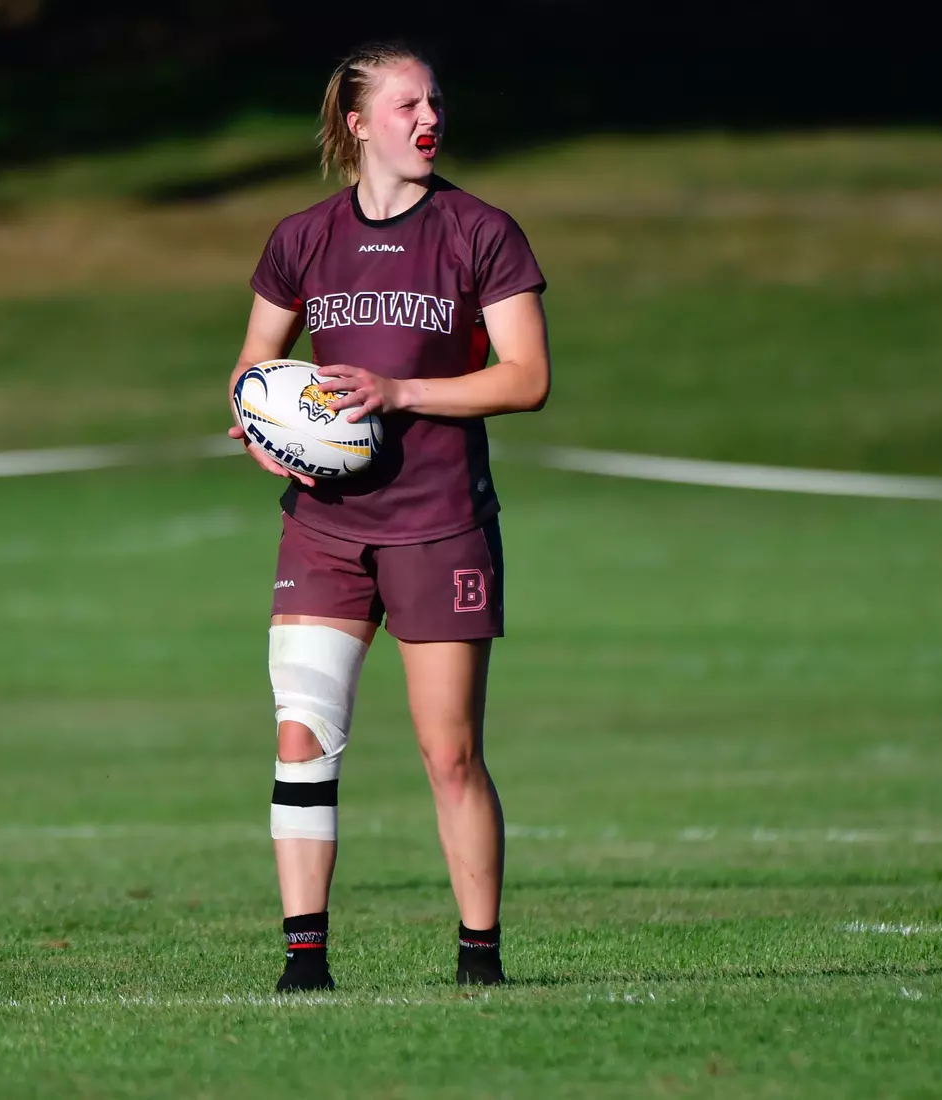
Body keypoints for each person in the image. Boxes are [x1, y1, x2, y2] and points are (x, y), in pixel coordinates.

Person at [227, 43, 551, 989]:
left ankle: (479, 960)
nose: (429, 118)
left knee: (448, 753)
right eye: (408, 104)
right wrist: (259, 426)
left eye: (435, 102)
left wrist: (399, 391)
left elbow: (526, 378)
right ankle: (304, 962)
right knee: (301, 734)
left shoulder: (479, 231)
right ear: (358, 123)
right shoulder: (302, 237)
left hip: (439, 524)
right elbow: (252, 363)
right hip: (323, 527)